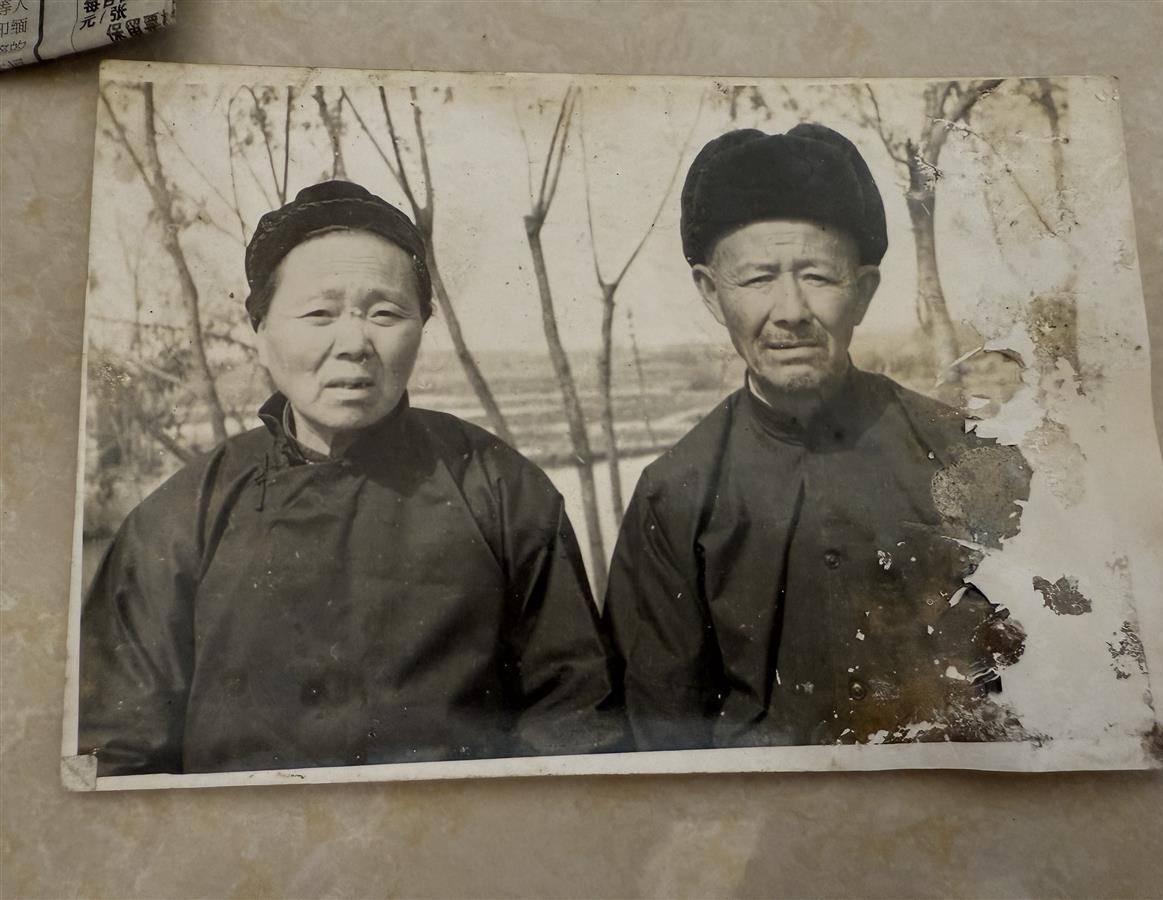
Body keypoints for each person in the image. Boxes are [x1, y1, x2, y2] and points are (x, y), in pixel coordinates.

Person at [79, 180, 626, 776]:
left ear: (421, 325)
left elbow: (573, 722)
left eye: (385, 313)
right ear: (261, 330)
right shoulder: (181, 518)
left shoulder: (500, 491)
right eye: (319, 313)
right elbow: (116, 755)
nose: (354, 344)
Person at [605, 124, 1030, 751]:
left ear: (863, 291)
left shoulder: (966, 456)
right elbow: (660, 735)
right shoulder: (674, 495)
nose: (790, 311)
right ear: (711, 294)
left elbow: (1042, 680)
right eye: (757, 278)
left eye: (818, 277)